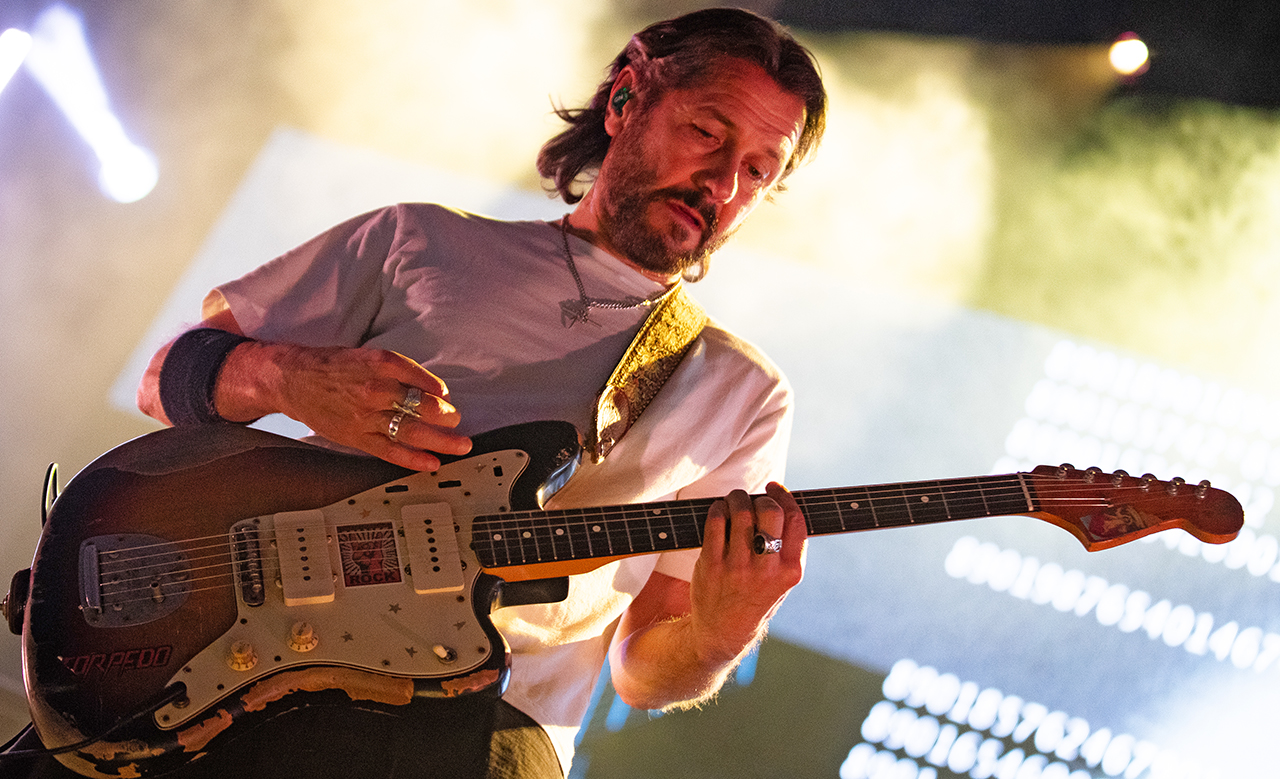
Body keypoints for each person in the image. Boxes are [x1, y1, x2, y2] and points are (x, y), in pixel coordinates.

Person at [6, 7, 827, 779]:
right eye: (706, 132)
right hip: (241, 647)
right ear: (625, 99)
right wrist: (291, 377)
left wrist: (718, 636)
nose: (723, 182)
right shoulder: (422, 238)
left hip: (477, 719)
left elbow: (643, 672)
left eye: (758, 170)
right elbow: (166, 378)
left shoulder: (743, 391)